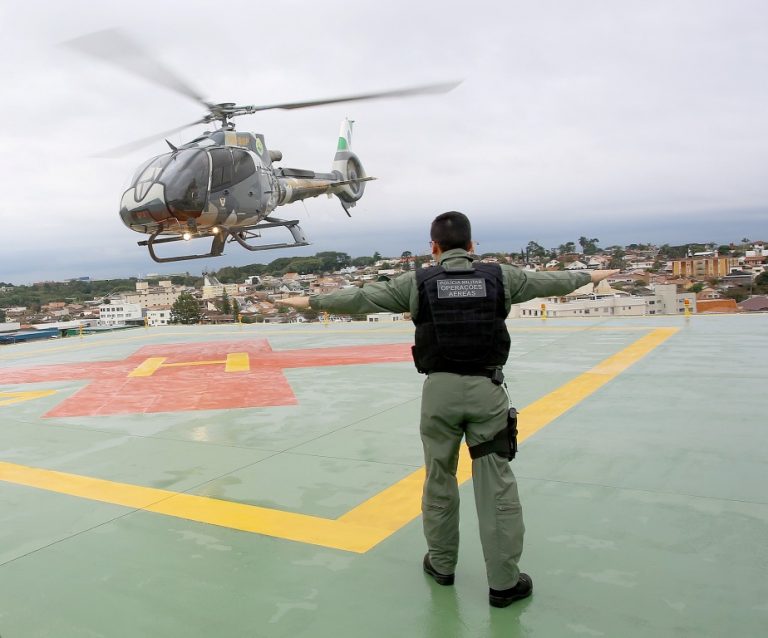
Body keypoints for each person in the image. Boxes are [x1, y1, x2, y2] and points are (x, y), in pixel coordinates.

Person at [282, 211, 618, 607]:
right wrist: (593, 275)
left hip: (438, 393)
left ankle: (442, 566)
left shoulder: (418, 281)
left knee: (439, 476)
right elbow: (554, 281)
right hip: (486, 389)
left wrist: (307, 299)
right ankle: (504, 584)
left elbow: (361, 297)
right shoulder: (500, 277)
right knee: (495, 482)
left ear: (434, 247)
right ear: (472, 246)